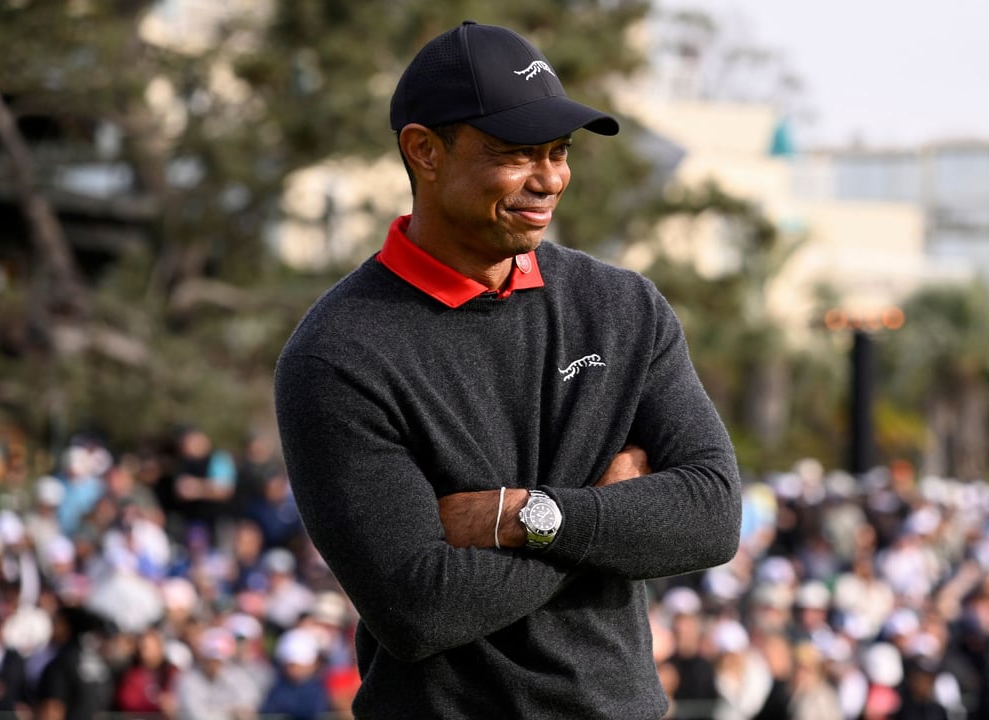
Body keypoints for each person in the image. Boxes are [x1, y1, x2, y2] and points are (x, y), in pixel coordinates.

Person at [273, 19, 742, 719]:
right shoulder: (338, 353)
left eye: (559, 151)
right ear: (424, 152)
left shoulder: (623, 306)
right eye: (519, 153)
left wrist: (530, 516)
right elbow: (420, 605)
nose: (550, 178)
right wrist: (612, 514)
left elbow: (711, 515)